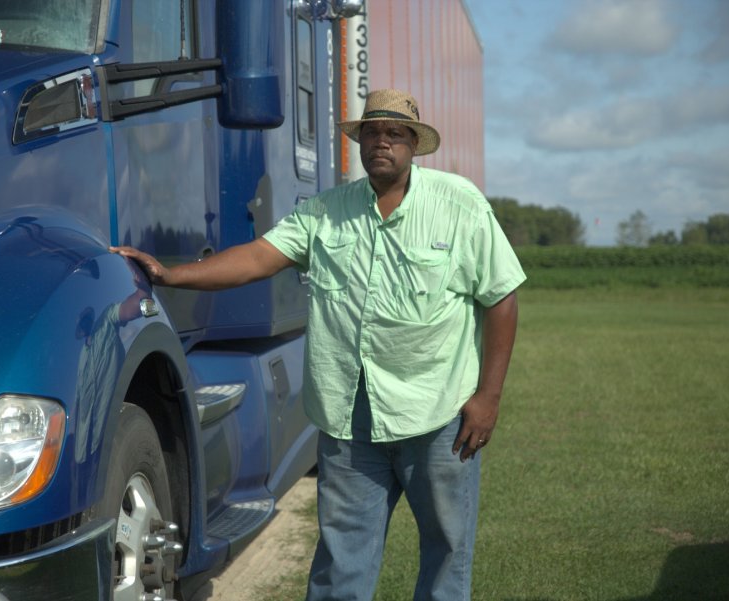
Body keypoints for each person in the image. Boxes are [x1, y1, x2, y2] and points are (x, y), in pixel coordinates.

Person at [110, 88, 526, 601]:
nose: (382, 143)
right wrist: (172, 274)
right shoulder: (326, 211)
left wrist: (488, 398)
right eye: (372, 132)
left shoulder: (460, 205)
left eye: (395, 133)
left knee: (446, 552)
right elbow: (259, 257)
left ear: (414, 145)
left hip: (438, 416)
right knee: (340, 563)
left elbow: (501, 299)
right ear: (361, 142)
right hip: (349, 419)